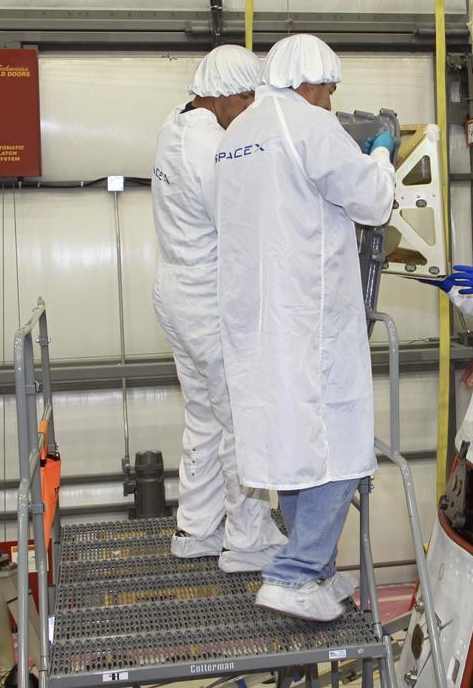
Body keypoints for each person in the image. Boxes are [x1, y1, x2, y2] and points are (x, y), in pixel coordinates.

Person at [212, 34, 396, 621]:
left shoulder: (237, 134)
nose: (332, 100)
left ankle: (310, 566)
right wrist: (383, 154)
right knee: (337, 444)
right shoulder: (309, 125)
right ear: (311, 82)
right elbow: (372, 203)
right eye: (331, 89)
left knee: (289, 442)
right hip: (309, 316)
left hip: (254, 319)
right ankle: (295, 574)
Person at [151, 45, 288, 572]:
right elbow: (239, 223)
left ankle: (196, 529)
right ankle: (247, 539)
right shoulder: (210, 145)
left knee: (204, 415)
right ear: (229, 94)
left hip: (173, 290)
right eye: (248, 99)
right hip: (207, 298)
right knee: (239, 418)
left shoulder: (174, 123)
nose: (251, 109)